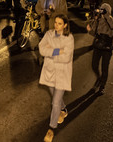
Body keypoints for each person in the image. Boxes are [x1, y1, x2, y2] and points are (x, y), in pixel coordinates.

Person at [38, 14, 74, 142]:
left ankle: (51, 129)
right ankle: (63, 109)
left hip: (62, 74)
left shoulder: (69, 38)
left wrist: (51, 51)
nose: (56, 26)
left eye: (59, 23)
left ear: (65, 25)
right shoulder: (48, 34)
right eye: (55, 23)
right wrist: (58, 51)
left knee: (54, 102)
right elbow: (41, 49)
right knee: (54, 97)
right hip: (49, 72)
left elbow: (66, 57)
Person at [86, 4, 113, 95]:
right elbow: (94, 33)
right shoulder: (99, 20)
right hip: (98, 45)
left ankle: (102, 86)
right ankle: (99, 78)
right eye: (101, 9)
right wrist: (90, 28)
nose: (101, 11)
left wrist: (106, 15)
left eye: (104, 10)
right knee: (94, 65)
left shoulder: (112, 20)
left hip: (107, 47)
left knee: (105, 67)